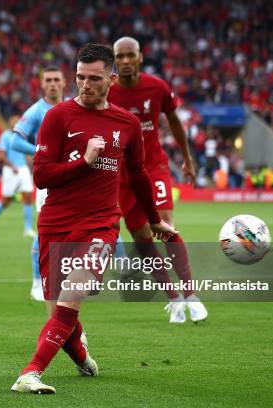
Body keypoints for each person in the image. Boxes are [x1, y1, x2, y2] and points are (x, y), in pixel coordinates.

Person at [11, 43, 176, 394]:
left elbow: (140, 175)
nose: (85, 85)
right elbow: (42, 176)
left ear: (111, 79)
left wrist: (154, 218)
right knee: (62, 313)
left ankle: (30, 372)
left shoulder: (127, 123)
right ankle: (82, 356)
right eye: (80, 77)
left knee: (71, 295)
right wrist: (83, 162)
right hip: (55, 223)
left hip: (100, 224)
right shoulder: (58, 117)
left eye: (94, 78)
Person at [108, 36, 207, 323]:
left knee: (164, 225)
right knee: (141, 238)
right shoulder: (107, 91)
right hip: (122, 177)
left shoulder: (157, 87)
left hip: (153, 166)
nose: (125, 61)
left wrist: (187, 159)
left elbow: (174, 121)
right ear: (115, 60)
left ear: (140, 57)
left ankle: (191, 293)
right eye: (120, 56)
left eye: (130, 55)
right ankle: (173, 297)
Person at [6, 66, 66, 301]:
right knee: (45, 232)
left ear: (64, 82)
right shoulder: (36, 111)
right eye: (48, 80)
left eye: (56, 80)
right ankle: (36, 282)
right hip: (49, 179)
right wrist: (43, 152)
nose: (52, 84)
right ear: (42, 84)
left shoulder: (73, 106)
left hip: (72, 177)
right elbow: (14, 142)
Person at [0, 115, 35, 238]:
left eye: (19, 122)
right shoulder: (5, 136)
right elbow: (1, 156)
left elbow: (26, 153)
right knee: (6, 201)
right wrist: (12, 166)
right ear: (10, 124)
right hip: (10, 171)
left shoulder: (23, 136)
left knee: (28, 197)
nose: (17, 124)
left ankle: (28, 228)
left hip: (22, 169)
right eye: (15, 122)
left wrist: (30, 167)